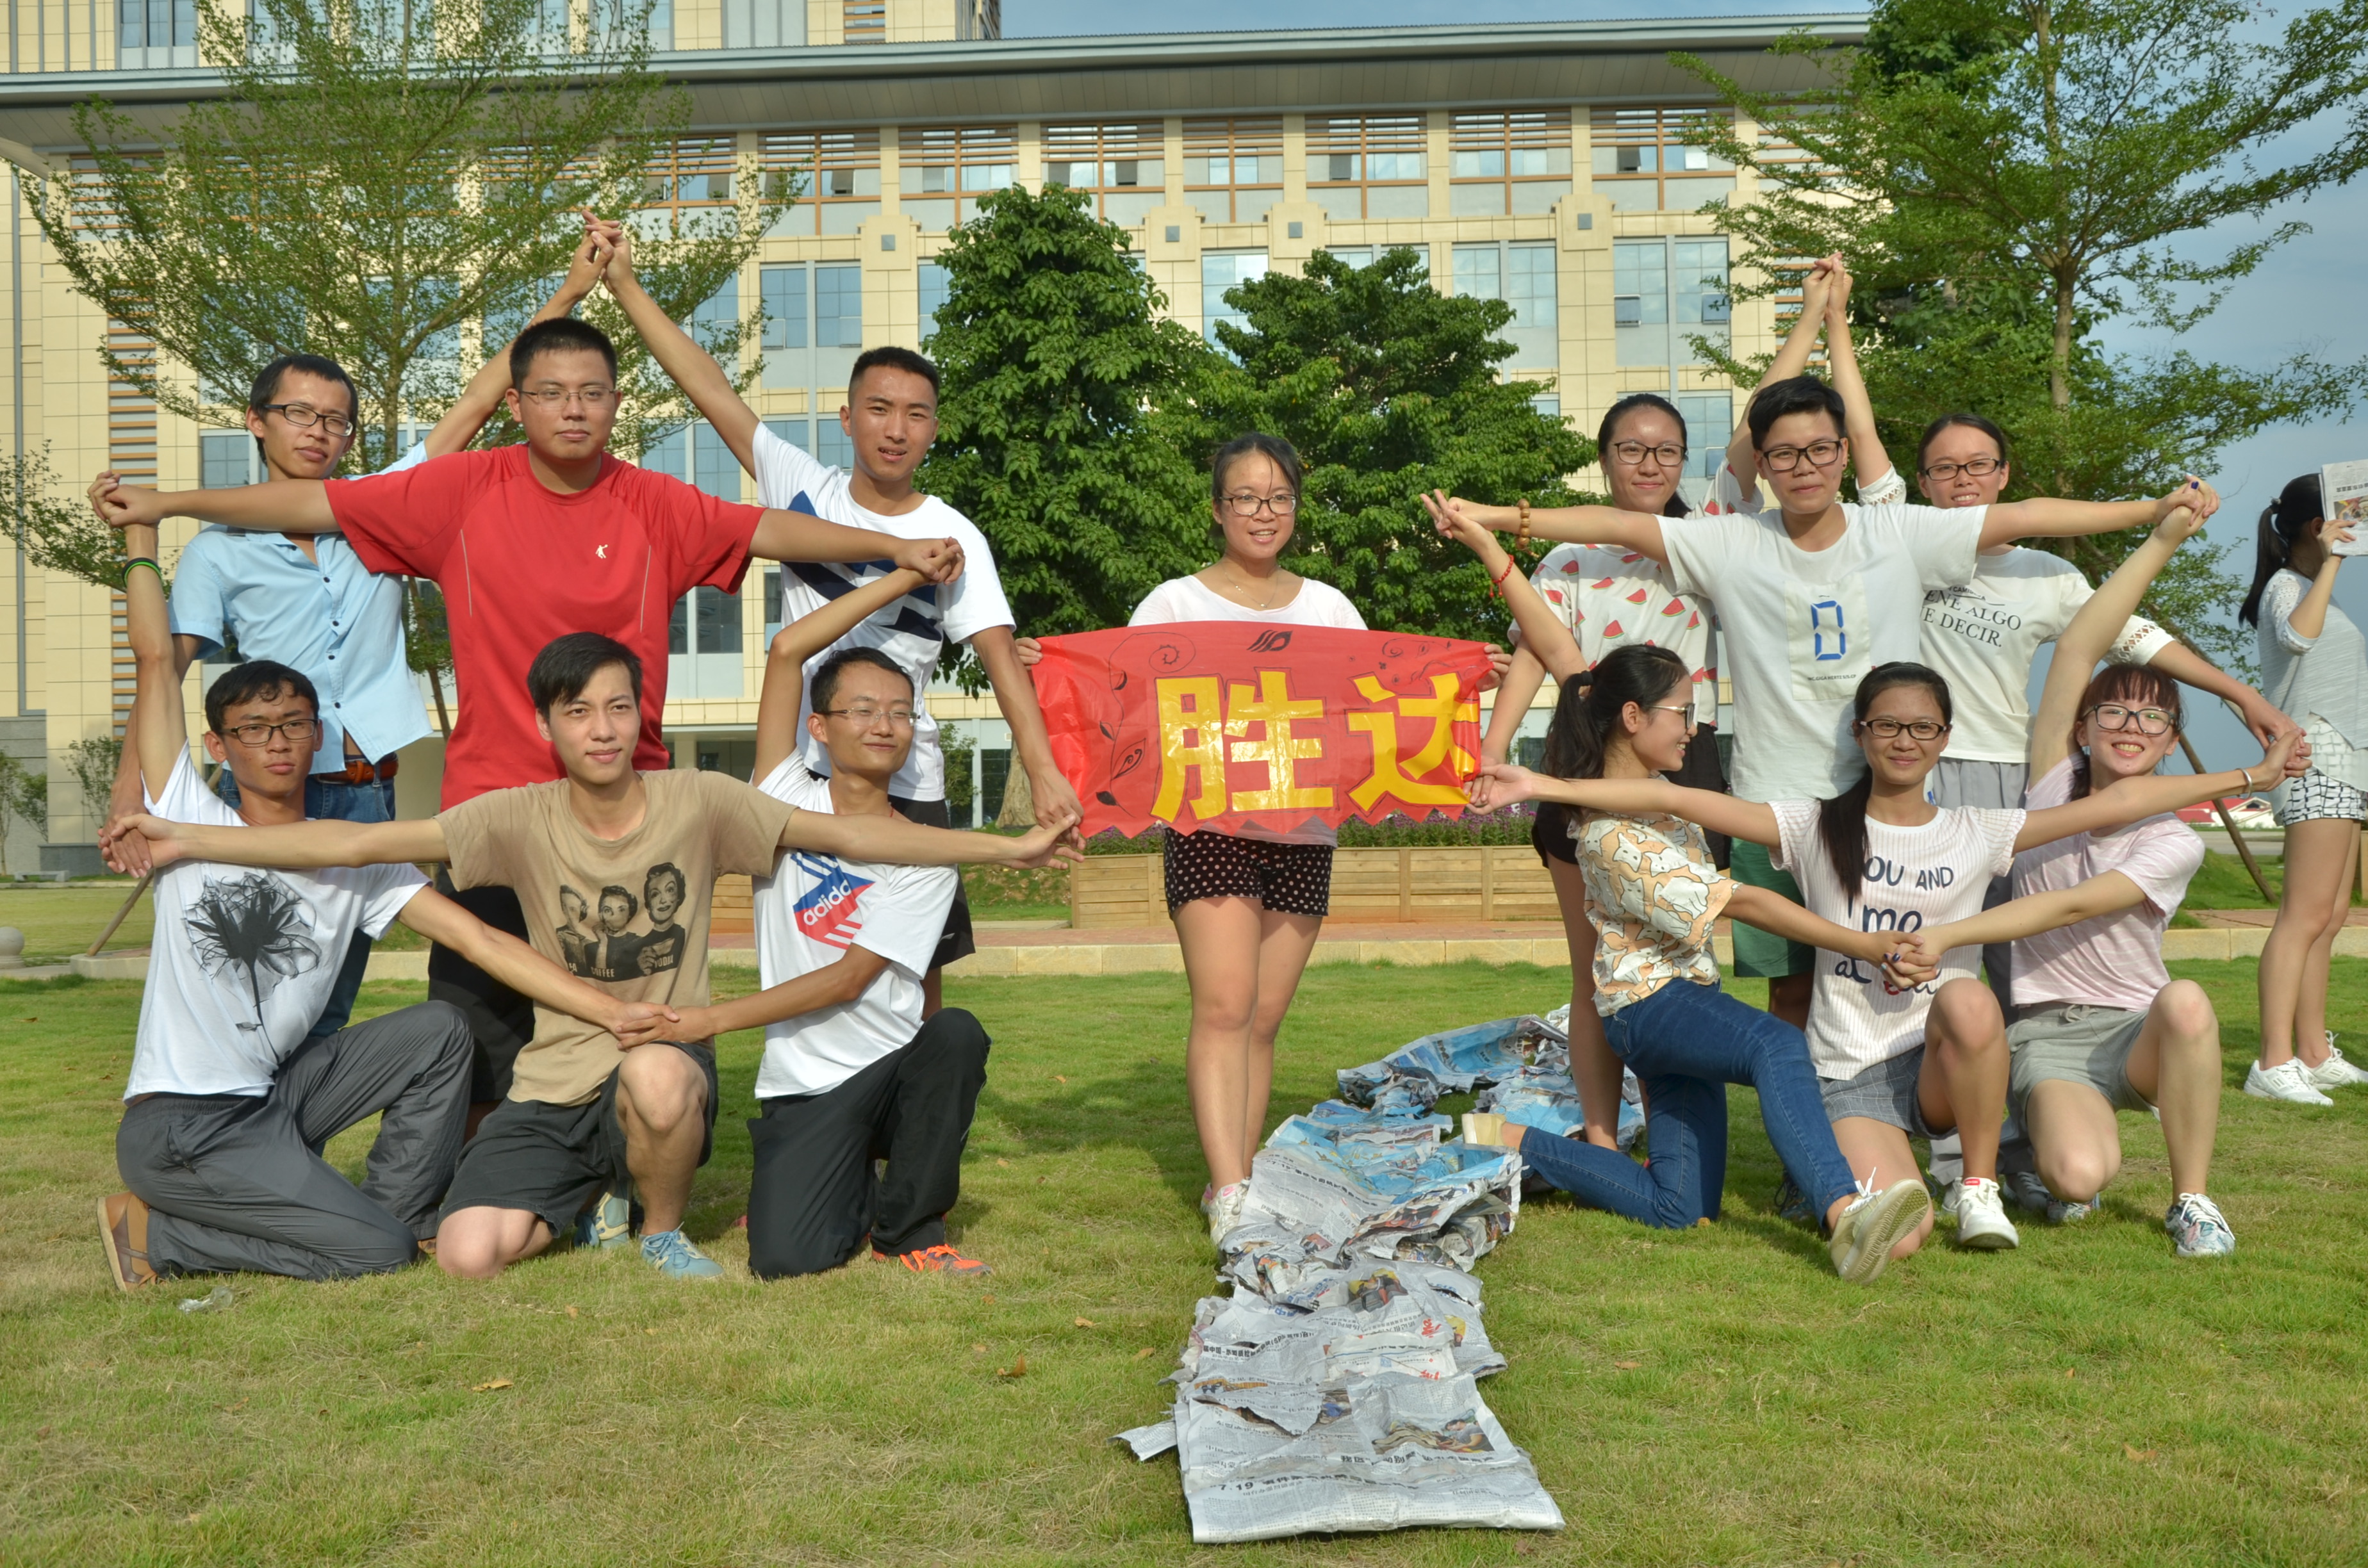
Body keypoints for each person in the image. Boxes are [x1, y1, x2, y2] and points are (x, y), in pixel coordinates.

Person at [94, 312, 966, 1128]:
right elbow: (315, 505)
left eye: (592, 393)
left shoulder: (657, 503)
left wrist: (890, 547)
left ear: (617, 404)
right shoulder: (461, 490)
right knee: (479, 1031)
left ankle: (630, 1179)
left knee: (640, 1026)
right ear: (516, 403)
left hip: (632, 820)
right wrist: (171, 504)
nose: (573, 409)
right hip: (496, 809)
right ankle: (477, 1176)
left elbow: (771, 530)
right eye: (550, 392)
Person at [109, 631, 1083, 1282]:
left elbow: (859, 837)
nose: (603, 728)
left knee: (656, 1073)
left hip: (658, 1053)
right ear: (549, 726)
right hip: (554, 1076)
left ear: (639, 716)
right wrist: (189, 837)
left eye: (618, 708)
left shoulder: (701, 800)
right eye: (579, 712)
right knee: (466, 1255)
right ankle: (589, 1199)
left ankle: (659, 1231)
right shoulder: (513, 817)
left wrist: (1007, 849)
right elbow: (356, 843)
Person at [1426, 379, 2221, 1037]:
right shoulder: (1731, 540)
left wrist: (2147, 511)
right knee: (1793, 990)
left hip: (1885, 803)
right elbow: (1616, 524)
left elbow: (2028, 516)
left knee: (1910, 975)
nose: (1803, 466)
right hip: (1771, 801)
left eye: (1819, 449)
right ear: (1764, 466)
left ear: (1844, 452)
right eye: (1783, 454)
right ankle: (1807, 1145)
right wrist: (1496, 519)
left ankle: (1911, 1129)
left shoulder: (1901, 531)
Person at [1469, 639, 2296, 1259]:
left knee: (1968, 997)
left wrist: (2249, 780)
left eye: (1923, 727)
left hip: (1939, 1064)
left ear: (1945, 737)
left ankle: (1979, 1186)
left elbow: (2121, 803)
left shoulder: (1981, 829)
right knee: (1898, 1237)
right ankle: (1839, 1190)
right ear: (1863, 734)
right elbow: (1670, 798)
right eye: (1888, 725)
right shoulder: (1810, 825)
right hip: (1852, 1070)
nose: (1906, 740)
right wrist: (1539, 783)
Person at [98, 516, 680, 1290]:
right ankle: (160, 1234)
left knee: (439, 1031)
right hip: (182, 1121)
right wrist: (141, 541)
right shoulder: (189, 818)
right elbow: (152, 661)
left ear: (319, 735)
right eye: (253, 729)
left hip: (272, 1100)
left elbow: (481, 942)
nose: (276, 742)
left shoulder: (356, 859)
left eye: (293, 725)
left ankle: (393, 1216)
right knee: (373, 1256)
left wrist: (609, 1010)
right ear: (219, 747)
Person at [94, 240, 613, 1043]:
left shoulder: (383, 504)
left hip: (369, 791)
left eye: (336, 421)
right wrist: (130, 793)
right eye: (299, 414)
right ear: (256, 421)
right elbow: (162, 670)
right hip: (273, 793)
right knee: (263, 989)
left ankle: (305, 1118)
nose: (319, 432)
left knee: (332, 998)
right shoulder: (215, 551)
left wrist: (571, 291)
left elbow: (480, 400)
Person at [593, 215, 1077, 1013]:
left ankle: (914, 1087)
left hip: (904, 776)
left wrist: (1046, 769)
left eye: (916, 414)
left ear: (934, 428)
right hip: (802, 774)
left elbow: (1001, 663)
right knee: (803, 947)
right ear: (847, 418)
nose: (896, 429)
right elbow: (707, 387)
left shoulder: (956, 535)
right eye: (879, 409)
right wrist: (626, 286)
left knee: (914, 977)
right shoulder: (802, 486)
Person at [1442, 507, 1937, 1279]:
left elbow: (1561, 651)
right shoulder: (1611, 837)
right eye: (1683, 713)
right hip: (1651, 1009)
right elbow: (1744, 903)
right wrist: (1863, 945)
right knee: (1776, 1043)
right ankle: (1845, 1214)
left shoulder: (1659, 792)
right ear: (1632, 716)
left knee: (1682, 1208)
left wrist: (1486, 545)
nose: (1692, 728)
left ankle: (1504, 1139)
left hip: (1683, 1006)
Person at [1477, 256, 1878, 1147]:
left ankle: (1678, 1132)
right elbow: (1532, 658)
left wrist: (1812, 316)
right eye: (1631, 448)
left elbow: (1758, 418)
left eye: (1665, 450)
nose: (1649, 462)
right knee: (1596, 967)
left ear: (1686, 462)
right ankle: (1599, 1133)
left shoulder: (1713, 532)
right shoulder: (1566, 559)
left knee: (1685, 956)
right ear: (1606, 460)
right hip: (1583, 764)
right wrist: (1494, 752)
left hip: (1682, 762)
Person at [1894, 505, 2294, 1255]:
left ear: (2171, 744)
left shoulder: (2171, 841)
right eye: (2114, 711)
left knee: (2187, 1000)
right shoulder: (2049, 784)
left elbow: (2068, 906)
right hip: (2047, 1035)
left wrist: (1947, 935)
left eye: (2153, 720)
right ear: (2081, 728)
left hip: (2135, 1030)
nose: (2131, 727)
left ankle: (2193, 1201)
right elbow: (2081, 641)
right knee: (2077, 1178)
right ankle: (2066, 1144)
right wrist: (2163, 538)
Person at [654, 557, 996, 1278]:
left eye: (900, 713)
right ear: (820, 725)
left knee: (956, 1034)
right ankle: (852, 1189)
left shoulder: (928, 854)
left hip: (892, 1074)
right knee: (786, 1260)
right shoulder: (780, 795)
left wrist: (712, 1020)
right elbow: (786, 650)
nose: (885, 726)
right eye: (863, 710)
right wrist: (905, 578)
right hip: (805, 1086)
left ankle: (911, 1229)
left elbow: (849, 979)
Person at [1911, 412, 2297, 1015]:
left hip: (2005, 771)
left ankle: (2025, 1061)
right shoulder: (1898, 545)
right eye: (1945, 468)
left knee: (2013, 952)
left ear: (2003, 473)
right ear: (1922, 482)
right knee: (1919, 941)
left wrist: (2241, 694)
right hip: (1911, 767)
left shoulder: (2047, 575)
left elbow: (2126, 635)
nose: (1963, 479)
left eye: (1979, 464)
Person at [2240, 473, 2368, 1102]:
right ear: (2318, 526)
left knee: (2330, 916)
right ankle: (2273, 1062)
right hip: (2314, 762)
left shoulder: (2312, 589)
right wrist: (2334, 562)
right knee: (2304, 917)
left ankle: (2313, 1053)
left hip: (2345, 765)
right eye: (2345, 518)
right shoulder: (2287, 586)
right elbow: (2297, 636)